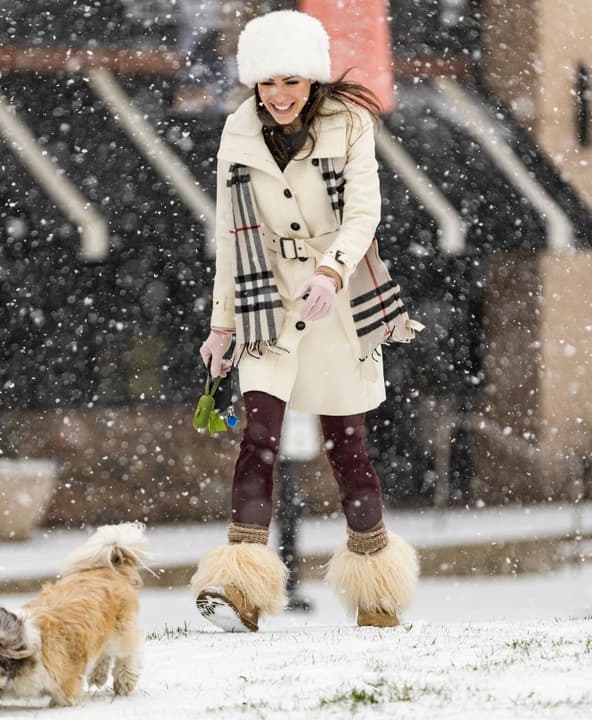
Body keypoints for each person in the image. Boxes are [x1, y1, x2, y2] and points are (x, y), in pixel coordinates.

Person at [189, 9, 423, 632]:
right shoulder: (238, 131)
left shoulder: (350, 123)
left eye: (291, 81)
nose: (279, 95)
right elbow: (230, 235)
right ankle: (241, 590)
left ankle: (377, 594)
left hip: (335, 304)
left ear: (313, 79)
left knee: (347, 447)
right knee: (257, 441)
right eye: (267, 82)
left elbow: (364, 214)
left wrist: (331, 272)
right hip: (266, 299)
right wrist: (221, 326)